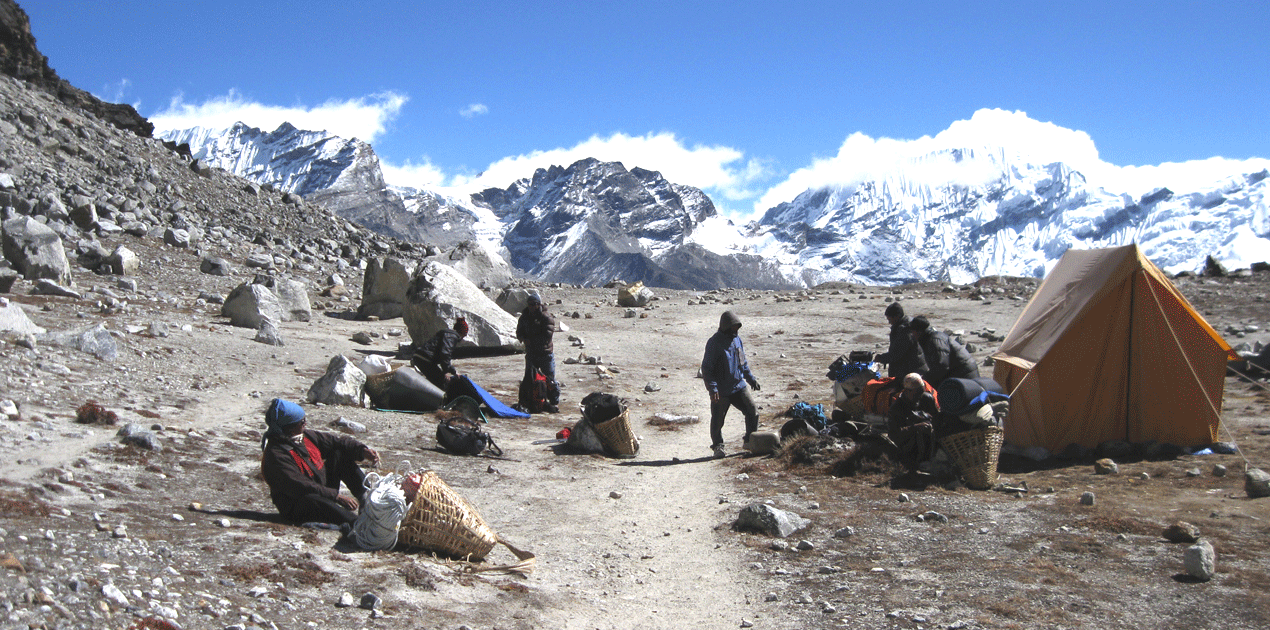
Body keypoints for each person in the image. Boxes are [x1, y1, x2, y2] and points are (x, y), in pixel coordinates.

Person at [259, 398, 380, 530]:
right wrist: (337, 497)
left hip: (319, 490)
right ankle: (357, 524)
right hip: (299, 503)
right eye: (301, 421)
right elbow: (302, 486)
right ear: (290, 427)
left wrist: (362, 451)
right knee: (312, 498)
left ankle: (366, 499)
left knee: (339, 453)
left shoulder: (305, 437)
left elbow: (337, 442)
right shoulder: (276, 455)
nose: (305, 423)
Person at [701, 311, 761, 458]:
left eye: (737, 327)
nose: (736, 330)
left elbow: (742, 362)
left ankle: (750, 440)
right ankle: (718, 446)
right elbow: (707, 368)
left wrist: (750, 379)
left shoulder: (737, 340)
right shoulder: (714, 343)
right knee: (717, 420)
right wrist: (713, 388)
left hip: (738, 386)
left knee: (752, 411)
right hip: (721, 390)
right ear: (726, 326)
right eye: (733, 327)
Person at [516, 293, 560, 412]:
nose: (532, 307)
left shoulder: (546, 317)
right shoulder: (524, 317)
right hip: (531, 353)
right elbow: (518, 332)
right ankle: (532, 400)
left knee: (549, 379)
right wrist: (523, 339)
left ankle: (554, 402)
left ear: (539, 304)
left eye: (534, 304)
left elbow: (547, 335)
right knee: (529, 379)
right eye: (530, 304)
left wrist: (531, 341)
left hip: (545, 353)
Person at [887, 373, 940, 469]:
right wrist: (915, 427)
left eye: (921, 391)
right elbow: (894, 434)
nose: (920, 394)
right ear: (907, 391)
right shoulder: (897, 408)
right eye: (917, 392)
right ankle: (920, 462)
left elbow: (937, 418)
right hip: (909, 443)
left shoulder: (927, 399)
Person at [910, 315, 980, 387]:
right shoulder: (929, 338)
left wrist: (925, 380)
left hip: (965, 375)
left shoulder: (935, 340)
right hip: (960, 373)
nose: (912, 335)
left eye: (912, 332)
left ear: (919, 331)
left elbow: (941, 366)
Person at [873, 302, 928, 379]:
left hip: (909, 371)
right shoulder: (906, 324)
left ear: (897, 316)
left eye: (890, 319)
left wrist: (882, 358)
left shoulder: (904, 330)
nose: (889, 322)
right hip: (913, 368)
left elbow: (898, 353)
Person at [411, 318, 468, 389]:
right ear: (462, 333)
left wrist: (446, 371)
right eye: (464, 335)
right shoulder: (452, 336)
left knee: (437, 380)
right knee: (442, 383)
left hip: (419, 356)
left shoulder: (446, 334)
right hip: (426, 358)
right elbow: (445, 354)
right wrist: (449, 371)